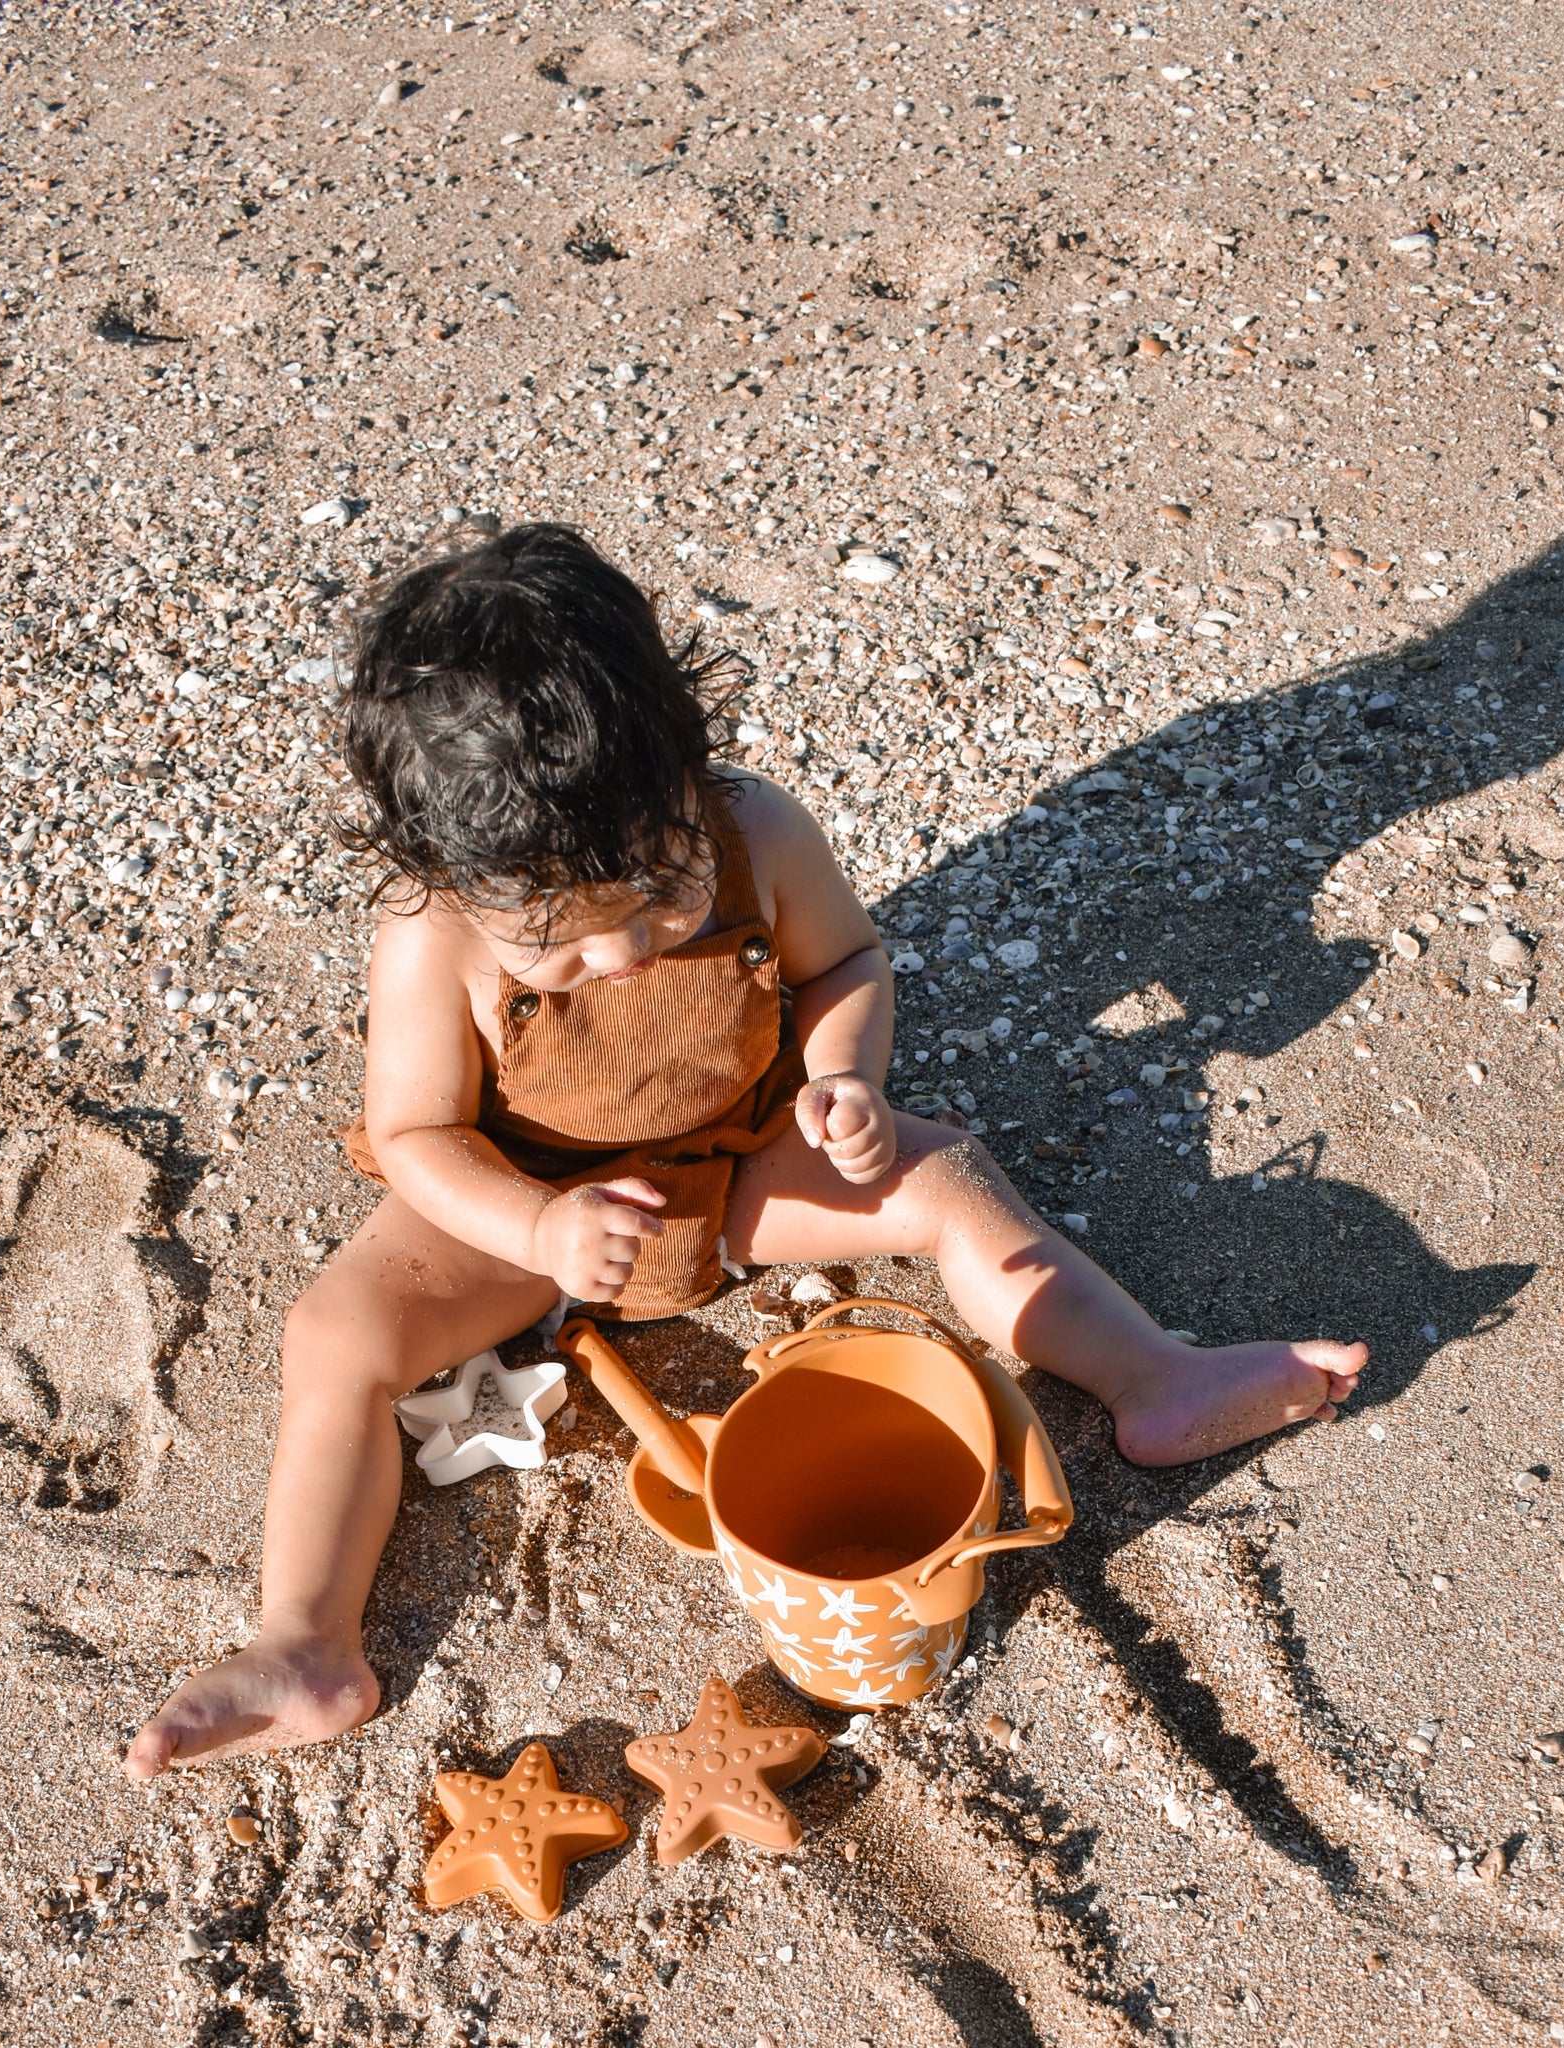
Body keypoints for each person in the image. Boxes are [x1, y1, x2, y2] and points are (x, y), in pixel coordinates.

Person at [125, 525, 1364, 1778]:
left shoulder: (755, 832)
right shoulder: (429, 936)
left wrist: (843, 1078)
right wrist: (538, 1230)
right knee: (335, 1337)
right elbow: (414, 1135)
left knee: (946, 1177)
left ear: (687, 766)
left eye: (657, 895)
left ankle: (1149, 1375)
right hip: (525, 1199)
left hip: (744, 1164)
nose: (622, 956)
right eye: (556, 944)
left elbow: (845, 964)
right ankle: (307, 1636)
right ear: (447, 874)